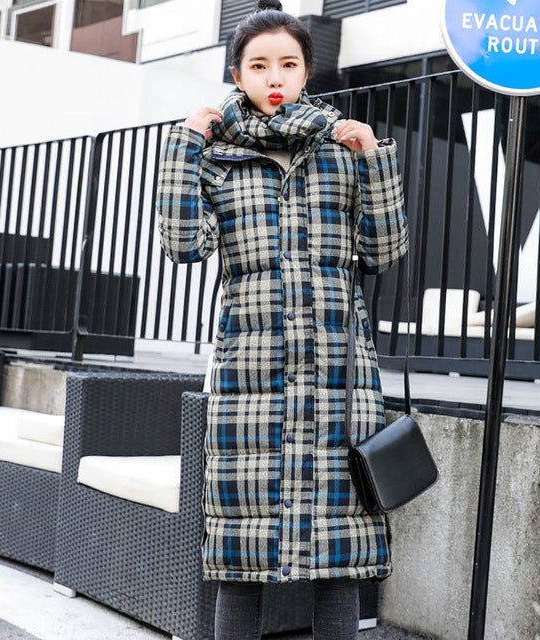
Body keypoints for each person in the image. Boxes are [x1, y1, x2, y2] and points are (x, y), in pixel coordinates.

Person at [155, 1, 408, 638]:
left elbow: (384, 251)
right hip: (250, 377)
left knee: (338, 561)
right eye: (260, 65)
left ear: (306, 72)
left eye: (288, 64)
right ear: (237, 75)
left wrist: (374, 159)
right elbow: (182, 245)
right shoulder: (216, 156)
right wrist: (184, 146)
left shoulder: (343, 151)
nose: (275, 77)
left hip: (338, 377)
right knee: (241, 559)